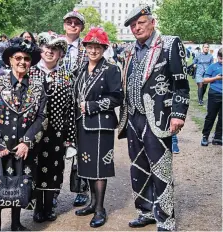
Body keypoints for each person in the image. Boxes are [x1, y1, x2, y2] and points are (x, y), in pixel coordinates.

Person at [118, 6, 190, 231]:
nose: (136, 28)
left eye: (140, 23)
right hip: (133, 118)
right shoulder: (129, 50)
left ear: (153, 22)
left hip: (158, 118)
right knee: (138, 168)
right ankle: (146, 211)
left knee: (161, 169)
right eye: (132, 25)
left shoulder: (170, 44)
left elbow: (181, 84)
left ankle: (166, 219)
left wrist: (178, 114)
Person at [0, 37, 45, 231]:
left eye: (26, 59)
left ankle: (17, 222)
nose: (22, 62)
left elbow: (43, 118)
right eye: (18, 58)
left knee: (21, 181)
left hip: (23, 146)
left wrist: (27, 141)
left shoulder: (37, 86)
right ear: (10, 60)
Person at [73, 27, 123, 228]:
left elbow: (117, 97)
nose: (93, 50)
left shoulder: (111, 69)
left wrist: (93, 106)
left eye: (97, 47)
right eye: (90, 46)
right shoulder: (80, 69)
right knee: (86, 165)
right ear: (85, 47)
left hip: (101, 125)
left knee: (100, 167)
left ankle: (101, 209)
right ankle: (92, 203)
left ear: (104, 49)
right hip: (82, 124)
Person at [30, 32, 75, 223]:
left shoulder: (66, 76)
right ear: (41, 50)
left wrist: (70, 137)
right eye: (46, 48)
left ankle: (49, 206)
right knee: (35, 168)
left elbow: (71, 108)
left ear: (60, 54)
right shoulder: (30, 72)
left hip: (57, 132)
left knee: (54, 169)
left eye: (54, 49)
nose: (49, 51)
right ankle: (37, 207)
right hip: (33, 132)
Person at [62, 9, 89, 207]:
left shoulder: (87, 48)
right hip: (56, 104)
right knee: (54, 147)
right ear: (64, 25)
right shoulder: (53, 44)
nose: (73, 25)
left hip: (79, 104)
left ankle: (81, 190)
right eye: (69, 22)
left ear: (81, 27)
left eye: (76, 23)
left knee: (80, 148)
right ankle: (51, 191)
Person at [201, 48, 222, 146]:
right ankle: (205, 136)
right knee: (211, 116)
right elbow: (204, 80)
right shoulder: (213, 67)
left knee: (222, 118)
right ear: (218, 57)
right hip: (215, 93)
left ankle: (217, 137)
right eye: (221, 58)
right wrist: (216, 78)